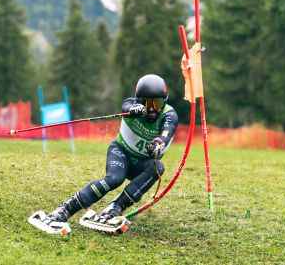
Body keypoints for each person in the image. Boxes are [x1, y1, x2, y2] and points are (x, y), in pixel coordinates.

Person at [32, 74, 179, 233]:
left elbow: (167, 131)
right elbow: (126, 106)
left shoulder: (169, 114)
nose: (151, 109)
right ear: (139, 101)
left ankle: (115, 208)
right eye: (146, 103)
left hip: (142, 164)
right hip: (121, 152)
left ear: (164, 102)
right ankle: (64, 210)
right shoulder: (131, 104)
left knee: (158, 167)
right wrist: (132, 110)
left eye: (156, 103)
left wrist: (159, 143)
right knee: (114, 179)